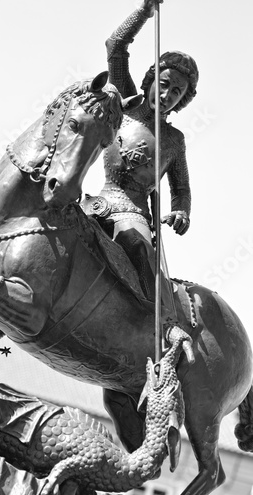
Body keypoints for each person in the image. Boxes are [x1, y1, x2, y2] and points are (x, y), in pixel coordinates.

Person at [84, 0, 199, 321]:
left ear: (181, 101)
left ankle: (164, 327)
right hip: (97, 200)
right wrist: (144, 12)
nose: (166, 95)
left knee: (138, 250)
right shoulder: (127, 102)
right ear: (151, 81)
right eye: (163, 85)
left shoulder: (174, 141)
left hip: (133, 213)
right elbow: (116, 46)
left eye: (176, 92)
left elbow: (182, 189)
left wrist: (181, 212)